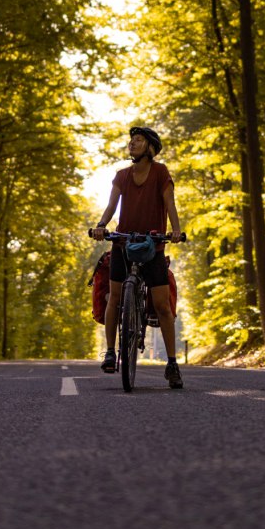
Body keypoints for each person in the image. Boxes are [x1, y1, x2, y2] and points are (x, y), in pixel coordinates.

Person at [92, 125, 184, 388]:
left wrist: (175, 231)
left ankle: (172, 363)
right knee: (115, 296)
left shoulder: (160, 172)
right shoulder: (121, 176)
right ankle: (111, 352)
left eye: (139, 140)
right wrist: (101, 225)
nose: (132, 143)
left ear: (150, 148)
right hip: (123, 243)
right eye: (131, 140)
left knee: (163, 305)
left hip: (152, 245)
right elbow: (111, 206)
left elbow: (170, 203)